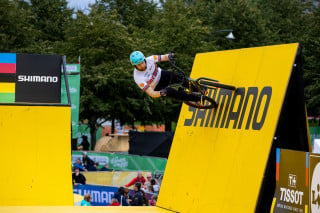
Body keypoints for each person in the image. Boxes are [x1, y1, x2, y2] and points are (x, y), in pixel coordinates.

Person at [130, 51, 203, 103]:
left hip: (162, 74)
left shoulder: (150, 59)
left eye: (142, 62)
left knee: (179, 77)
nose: (142, 66)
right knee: (173, 93)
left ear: (144, 59)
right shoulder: (137, 77)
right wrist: (160, 93)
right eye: (138, 65)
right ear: (134, 65)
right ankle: (198, 99)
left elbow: (164, 57)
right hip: (157, 86)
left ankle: (198, 89)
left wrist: (170, 56)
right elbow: (151, 93)